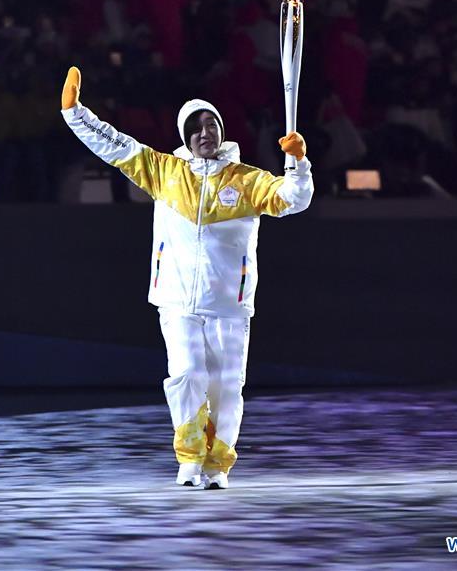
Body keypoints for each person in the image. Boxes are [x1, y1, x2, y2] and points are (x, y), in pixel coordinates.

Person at [61, 66, 313, 489]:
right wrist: (75, 113)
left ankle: (218, 466)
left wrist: (298, 163)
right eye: (194, 127)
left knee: (226, 387)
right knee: (185, 374)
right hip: (176, 299)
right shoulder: (164, 172)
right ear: (185, 136)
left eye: (210, 124)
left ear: (221, 129)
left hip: (229, 304)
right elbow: (113, 144)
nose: (204, 133)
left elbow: (294, 199)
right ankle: (190, 458)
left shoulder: (246, 180)